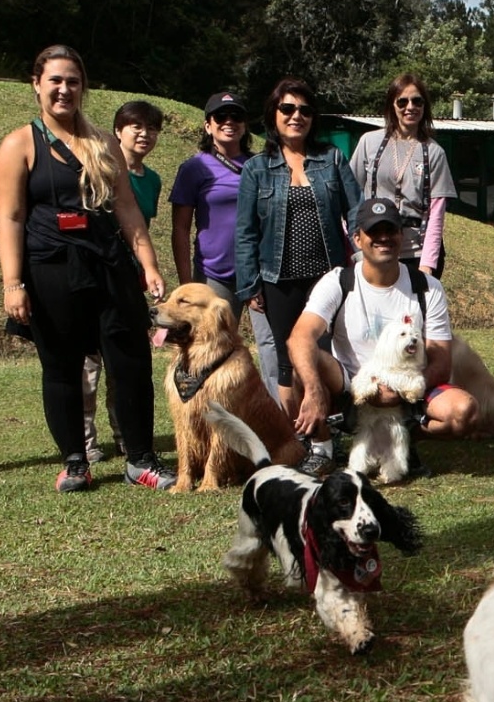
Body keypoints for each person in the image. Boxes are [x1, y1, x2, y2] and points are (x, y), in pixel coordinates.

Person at [0, 45, 174, 492]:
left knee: (129, 360)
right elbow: (10, 218)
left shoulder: (102, 141)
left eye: (73, 81)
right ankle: (76, 461)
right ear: (36, 84)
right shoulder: (19, 144)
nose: (64, 90)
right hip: (51, 268)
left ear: (83, 87)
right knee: (61, 366)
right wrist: (13, 283)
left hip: (109, 265)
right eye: (55, 80)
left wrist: (148, 265)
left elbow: (128, 209)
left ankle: (141, 460)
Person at [287, 198, 474, 477]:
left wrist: (397, 392)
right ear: (357, 239)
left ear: (402, 235)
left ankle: (404, 441)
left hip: (409, 388)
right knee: (304, 362)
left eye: (391, 230)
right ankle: (322, 448)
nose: (383, 238)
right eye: (374, 232)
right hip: (353, 388)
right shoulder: (338, 282)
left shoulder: (427, 287)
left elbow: (441, 360)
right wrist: (314, 392)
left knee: (463, 411)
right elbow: (298, 338)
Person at [235, 79, 361, 417]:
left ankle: (326, 429)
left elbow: (356, 212)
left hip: (327, 277)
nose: (296, 116)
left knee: (323, 353)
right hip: (278, 278)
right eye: (287, 108)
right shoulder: (256, 169)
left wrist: (364, 265)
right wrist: (249, 284)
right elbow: (245, 231)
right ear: (273, 115)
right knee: (286, 357)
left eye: (305, 110)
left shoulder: (332, 159)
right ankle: (295, 434)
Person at [169, 91, 280, 399]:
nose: (228, 122)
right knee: (208, 348)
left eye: (236, 117)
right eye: (221, 117)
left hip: (259, 273)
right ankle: (206, 413)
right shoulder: (195, 168)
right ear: (208, 125)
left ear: (245, 125)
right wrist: (186, 284)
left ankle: (278, 419)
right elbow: (180, 228)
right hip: (213, 273)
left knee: (270, 346)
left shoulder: (261, 165)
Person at [80, 99, 165, 463]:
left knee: (124, 362)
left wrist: (148, 269)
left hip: (132, 277)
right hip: (95, 273)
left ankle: (126, 437)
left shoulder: (153, 179)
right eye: (136, 126)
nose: (144, 134)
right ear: (117, 132)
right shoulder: (96, 168)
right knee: (87, 365)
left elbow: (139, 226)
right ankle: (85, 441)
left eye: (151, 128)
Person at [348, 74, 458, 278]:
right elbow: (350, 198)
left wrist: (427, 264)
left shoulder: (434, 152)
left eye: (417, 101)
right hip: (374, 249)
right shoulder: (369, 142)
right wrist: (357, 248)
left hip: (415, 252)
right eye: (402, 101)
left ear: (425, 106)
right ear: (392, 105)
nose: (410, 107)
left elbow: (436, 214)